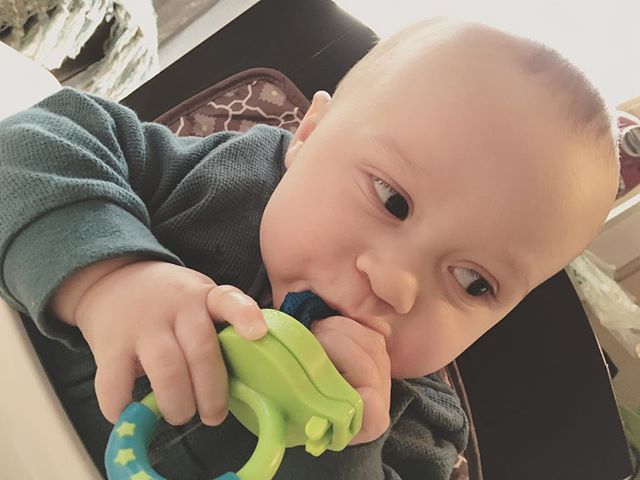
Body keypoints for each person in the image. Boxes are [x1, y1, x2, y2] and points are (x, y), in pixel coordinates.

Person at [0, 18, 619, 480]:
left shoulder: (413, 430)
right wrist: (110, 276)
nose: (396, 284)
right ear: (308, 136)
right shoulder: (222, 180)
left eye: (473, 282)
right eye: (392, 200)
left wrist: (333, 445)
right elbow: (29, 146)